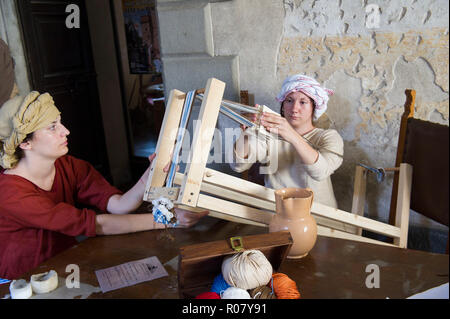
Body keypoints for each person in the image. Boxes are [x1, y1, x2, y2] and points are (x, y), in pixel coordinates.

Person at [0, 91, 208, 280]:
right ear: (24, 143)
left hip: (64, 268)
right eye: (52, 127)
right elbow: (97, 225)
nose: (66, 131)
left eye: (60, 122)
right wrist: (169, 218)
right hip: (22, 282)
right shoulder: (10, 193)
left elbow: (117, 205)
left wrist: (147, 177)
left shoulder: (67, 165)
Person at [230, 74, 344, 208]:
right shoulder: (269, 134)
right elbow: (238, 166)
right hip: (278, 212)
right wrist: (247, 132)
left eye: (303, 102)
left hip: (319, 216)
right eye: (289, 100)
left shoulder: (328, 137)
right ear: (283, 106)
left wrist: (291, 135)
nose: (294, 109)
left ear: (314, 107)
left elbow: (320, 172)